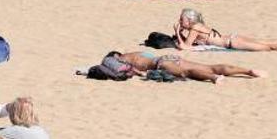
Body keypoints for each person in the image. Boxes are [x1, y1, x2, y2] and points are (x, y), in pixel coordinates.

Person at [172, 8, 277, 54]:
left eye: (181, 20)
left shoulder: (194, 28)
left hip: (232, 42)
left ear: (189, 20)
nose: (180, 22)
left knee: (268, 47)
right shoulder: (198, 26)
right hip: (233, 37)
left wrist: (178, 32)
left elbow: (185, 47)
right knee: (267, 42)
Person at [112, 51, 267, 84]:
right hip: (170, 57)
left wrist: (140, 72)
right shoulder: (137, 53)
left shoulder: (124, 59)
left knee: (187, 73)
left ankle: (213, 78)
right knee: (211, 66)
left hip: (162, 63)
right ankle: (248, 71)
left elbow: (133, 71)